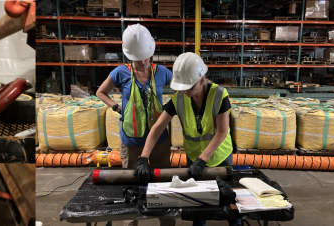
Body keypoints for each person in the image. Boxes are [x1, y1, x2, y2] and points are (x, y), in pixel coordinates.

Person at [133, 52, 241, 226]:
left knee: (227, 201)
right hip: (193, 157)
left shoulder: (219, 94)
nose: (185, 92)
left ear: (201, 79)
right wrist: (143, 157)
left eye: (189, 87)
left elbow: (222, 131)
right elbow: (157, 128)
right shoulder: (179, 98)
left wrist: (202, 160)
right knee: (197, 202)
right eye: (182, 88)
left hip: (220, 156)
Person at [96, 23, 175, 226]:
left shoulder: (162, 72)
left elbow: (181, 89)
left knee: (162, 182)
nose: (142, 62)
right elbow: (100, 92)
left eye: (146, 57)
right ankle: (130, 221)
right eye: (137, 59)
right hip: (131, 140)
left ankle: (166, 220)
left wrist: (172, 108)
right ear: (129, 56)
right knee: (132, 183)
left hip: (159, 140)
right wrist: (116, 107)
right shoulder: (120, 73)